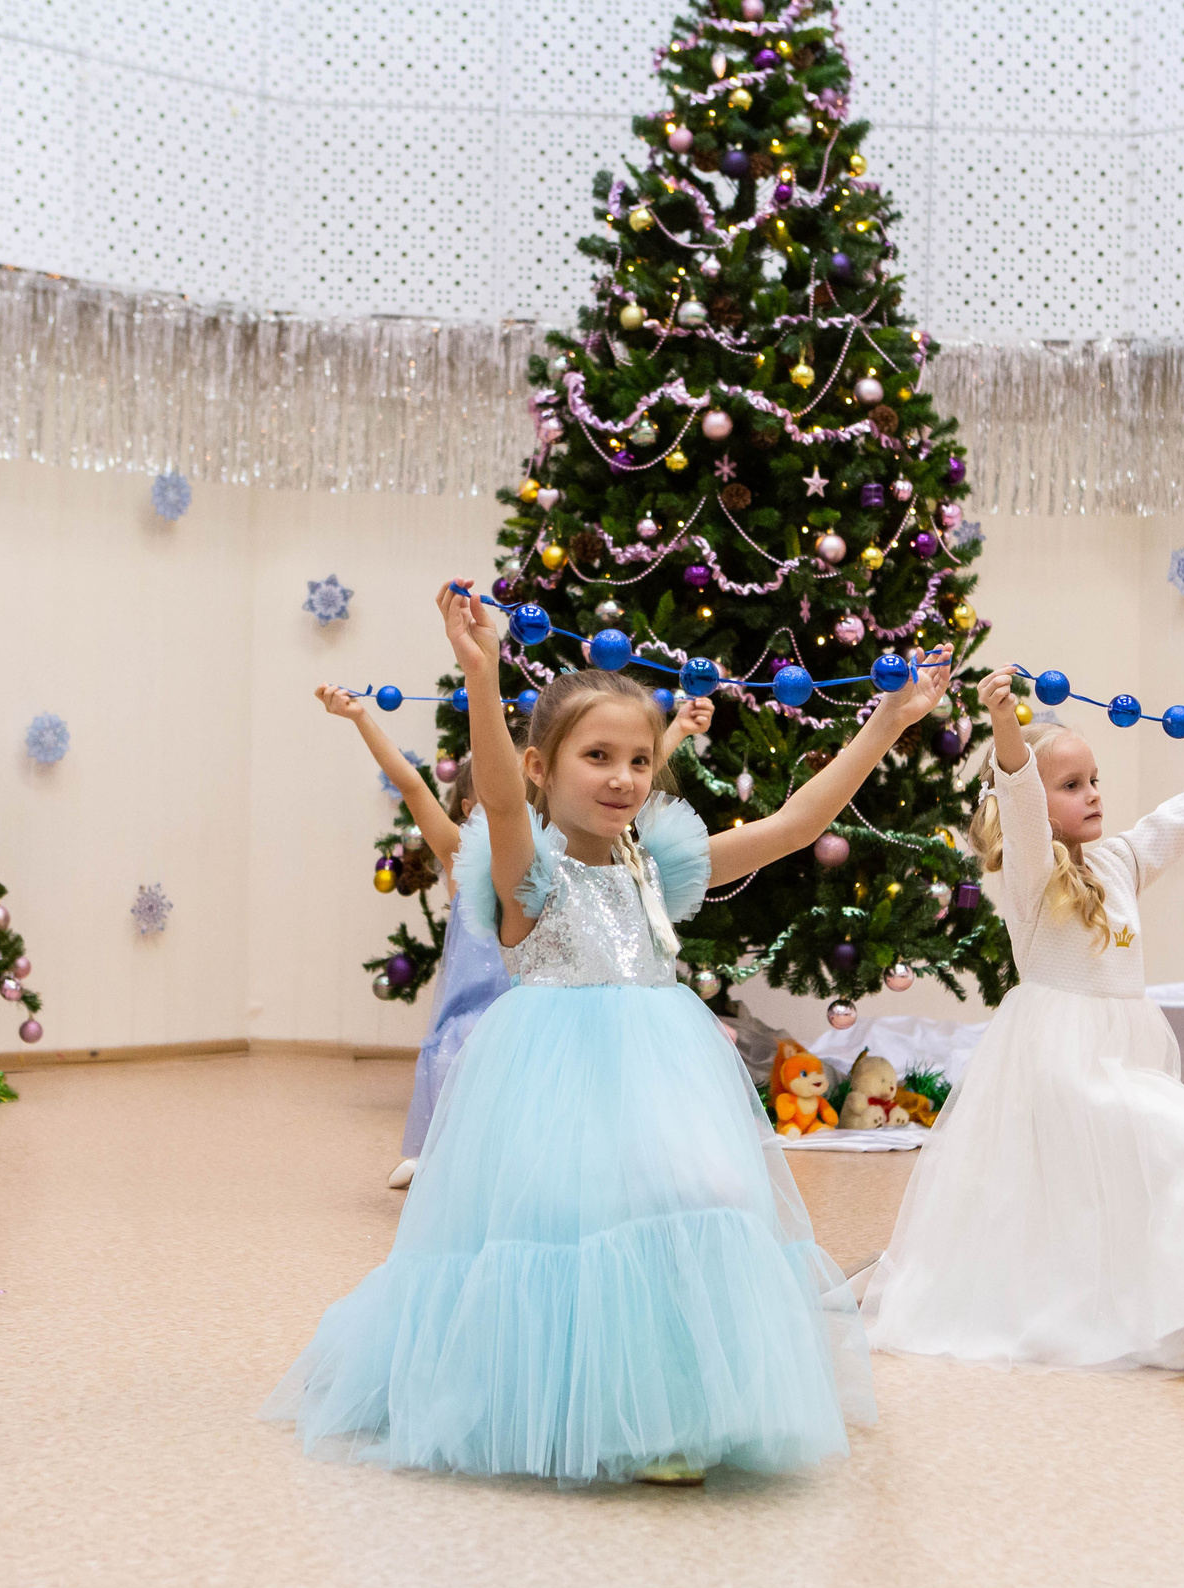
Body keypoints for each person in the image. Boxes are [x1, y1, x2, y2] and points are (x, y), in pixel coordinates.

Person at [264, 584, 948, 1485]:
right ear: (545, 765)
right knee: (573, 1227)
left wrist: (887, 725)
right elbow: (501, 802)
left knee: (696, 1201)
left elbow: (794, 827)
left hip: (662, 1069)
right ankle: (595, 1412)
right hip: (552, 1077)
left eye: (636, 758)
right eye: (597, 756)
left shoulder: (655, 866)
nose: (624, 777)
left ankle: (677, 1399)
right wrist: (480, 675)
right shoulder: (525, 875)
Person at [859, 663, 1184, 1374]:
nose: (1092, 794)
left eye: (1094, 779)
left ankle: (1167, 1312)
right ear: (1041, 803)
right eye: (1072, 785)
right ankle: (1153, 1316)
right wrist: (1005, 719)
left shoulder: (1124, 858)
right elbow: (1018, 791)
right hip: (1059, 1061)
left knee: (1159, 1163)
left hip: (1123, 1054)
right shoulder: (1030, 873)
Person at [315, 682, 712, 1190]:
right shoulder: (464, 853)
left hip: (538, 1001)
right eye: (478, 802)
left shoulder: (554, 860)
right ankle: (442, 1155)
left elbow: (623, 773)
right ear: (466, 809)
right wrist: (363, 719)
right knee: (460, 1066)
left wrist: (675, 728)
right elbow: (417, 786)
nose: (501, 815)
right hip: (475, 1008)